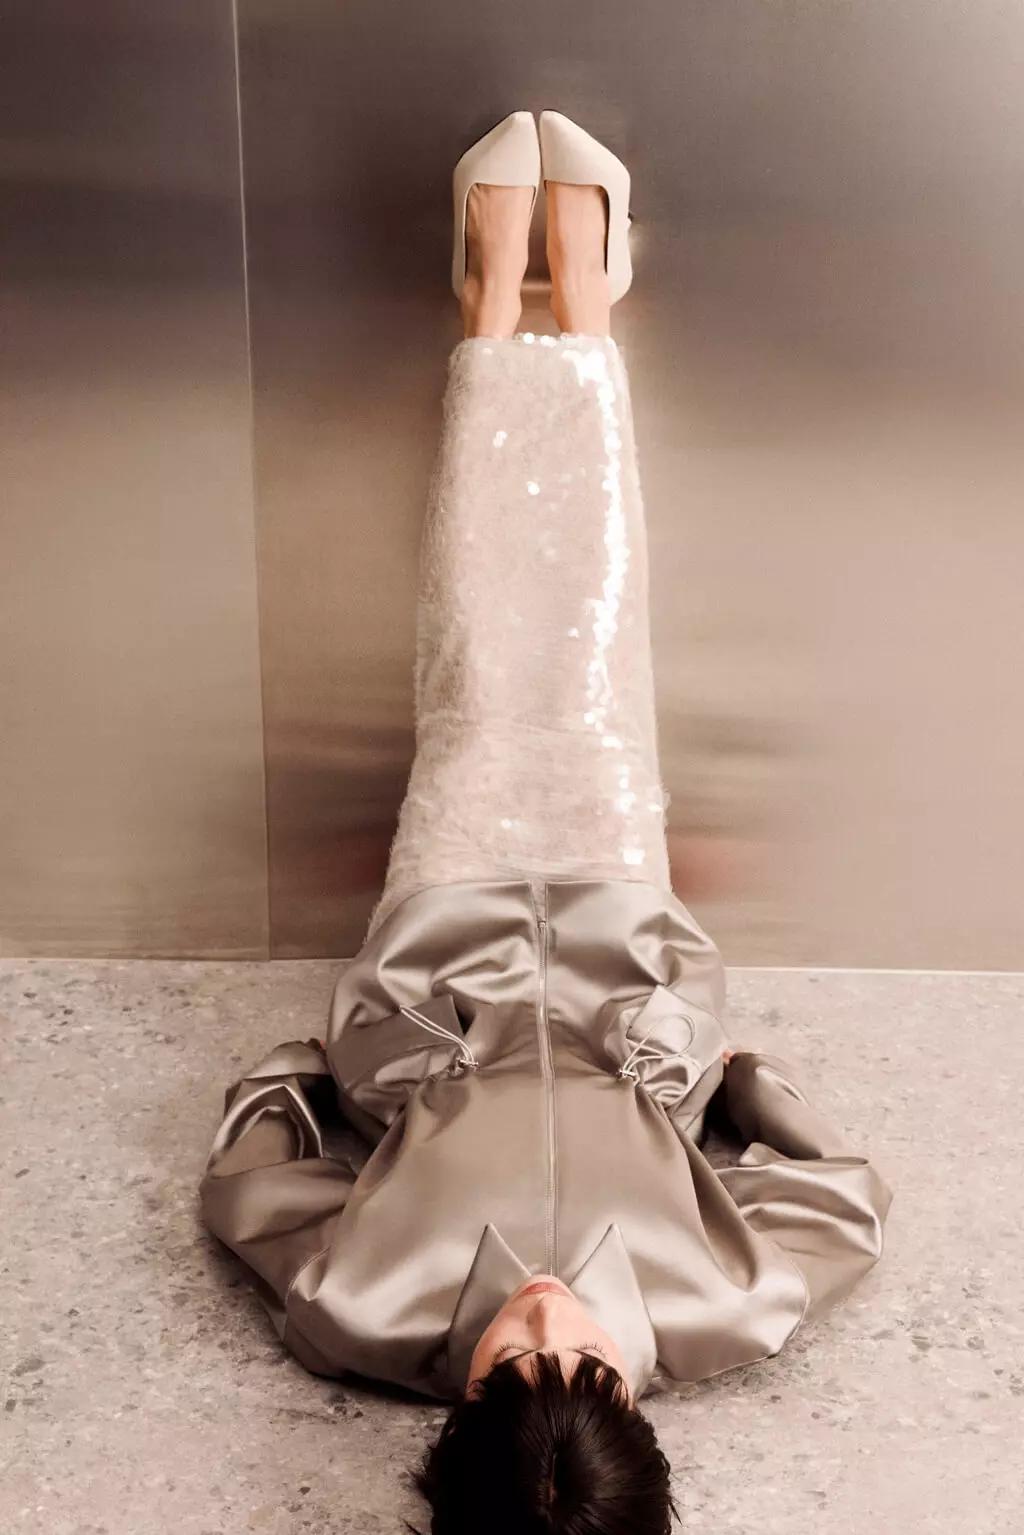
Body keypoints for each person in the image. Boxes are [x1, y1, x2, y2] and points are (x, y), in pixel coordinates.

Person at [199, 111, 894, 1534]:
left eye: (510, 1362)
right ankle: (576, 302)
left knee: (474, 655)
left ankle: (492, 307)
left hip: (444, 935)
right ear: (633, 1404)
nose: (545, 1317)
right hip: (623, 935)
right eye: (584, 1360)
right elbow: (846, 1197)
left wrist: (339, 1064)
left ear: (456, 1415)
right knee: (588, 644)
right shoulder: (733, 1303)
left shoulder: (355, 1306)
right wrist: (731, 1081)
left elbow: (249, 1169)